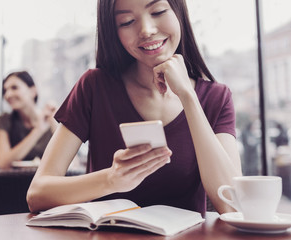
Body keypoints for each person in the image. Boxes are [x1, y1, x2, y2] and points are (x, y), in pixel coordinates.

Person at [27, 0, 242, 215]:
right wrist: (111, 179)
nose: (146, 30)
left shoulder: (216, 97)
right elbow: (37, 194)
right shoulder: (95, 87)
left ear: (179, 11)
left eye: (157, 11)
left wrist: (188, 97)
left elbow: (233, 206)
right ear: (114, 31)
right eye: (127, 21)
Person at [0, 71, 57, 169]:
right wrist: (38, 131)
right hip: (16, 181)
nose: (8, 95)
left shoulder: (50, 117)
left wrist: (55, 124)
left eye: (14, 88)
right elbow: (3, 164)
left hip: (47, 181)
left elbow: (73, 164)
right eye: (5, 90)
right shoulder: (4, 120)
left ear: (33, 91)